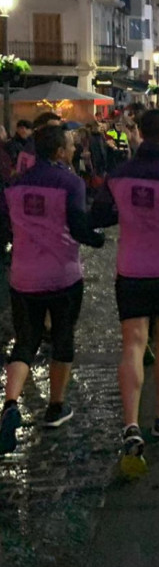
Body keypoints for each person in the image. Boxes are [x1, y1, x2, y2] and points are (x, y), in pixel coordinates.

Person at [90, 110, 159, 463]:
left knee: (134, 344)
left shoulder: (118, 174)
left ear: (139, 133)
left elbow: (101, 216)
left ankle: (131, 422)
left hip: (132, 268)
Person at [0, 126, 105, 453]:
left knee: (25, 340)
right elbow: (78, 224)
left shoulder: (15, 186)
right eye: (70, 146)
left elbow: (6, 224)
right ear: (59, 151)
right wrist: (97, 237)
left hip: (23, 275)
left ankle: (10, 404)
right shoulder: (70, 182)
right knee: (62, 336)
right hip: (61, 275)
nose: (73, 150)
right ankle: (56, 406)